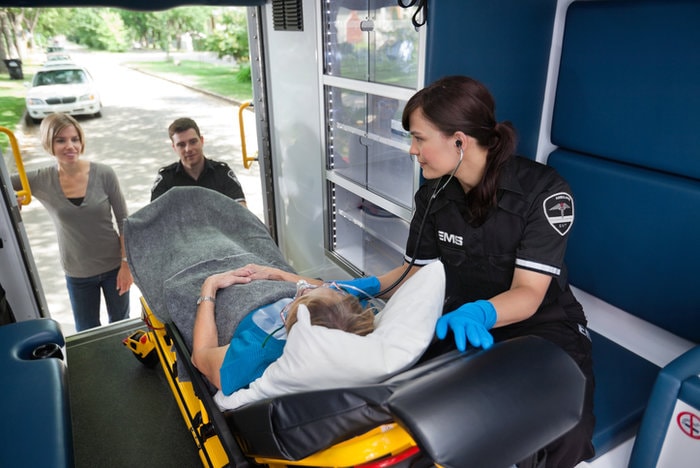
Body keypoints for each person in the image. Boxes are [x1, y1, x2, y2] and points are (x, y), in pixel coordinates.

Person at [336, 76, 595, 467]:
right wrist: (359, 287)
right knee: (404, 402)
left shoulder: (543, 192)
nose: (412, 150)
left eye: (419, 139)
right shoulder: (435, 193)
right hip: (460, 320)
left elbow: (528, 292)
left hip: (542, 326)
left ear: (459, 141)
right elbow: (413, 273)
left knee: (560, 432)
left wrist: (482, 313)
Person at [12, 113, 132, 331]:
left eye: (74, 139)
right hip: (78, 273)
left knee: (122, 328)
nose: (70, 146)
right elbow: (5, 187)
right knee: (87, 332)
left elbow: (124, 222)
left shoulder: (104, 173)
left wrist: (127, 264)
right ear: (49, 143)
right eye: (61, 140)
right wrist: (14, 201)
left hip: (115, 266)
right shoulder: (40, 179)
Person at [190, 265, 375, 395]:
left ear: (290, 317)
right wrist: (278, 274)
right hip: (259, 270)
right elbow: (397, 279)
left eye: (303, 293)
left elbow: (199, 357)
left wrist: (209, 287)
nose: (303, 284)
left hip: (220, 282)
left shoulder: (253, 354)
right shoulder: (347, 312)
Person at [150, 117, 247, 204]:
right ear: (174, 147)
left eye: (193, 142)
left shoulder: (222, 173)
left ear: (201, 141)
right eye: (181, 145)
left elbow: (242, 212)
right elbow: (153, 217)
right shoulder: (166, 179)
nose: (188, 149)